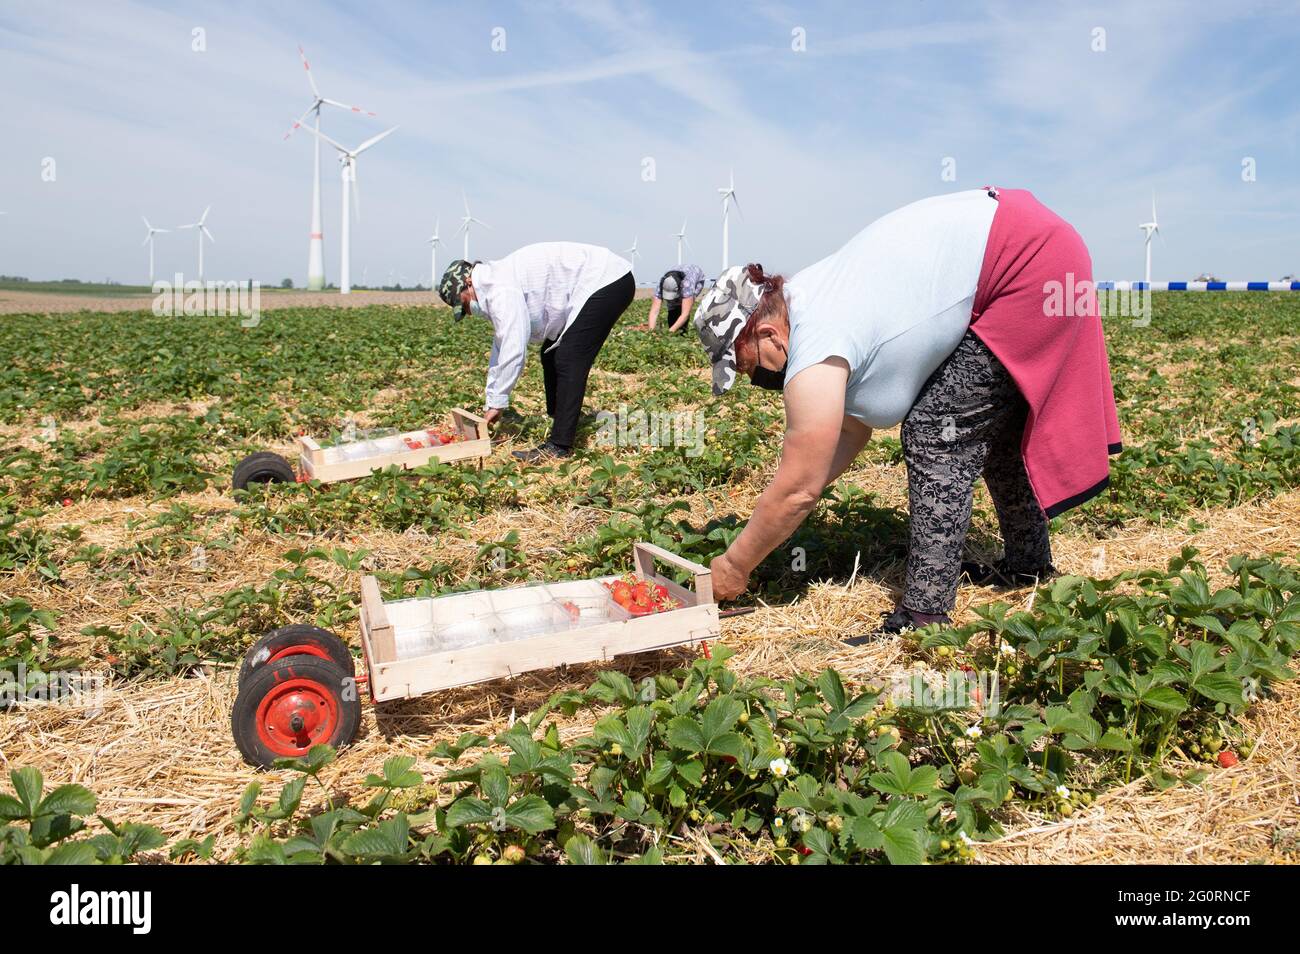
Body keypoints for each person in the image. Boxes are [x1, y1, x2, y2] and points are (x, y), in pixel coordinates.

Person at [695, 187, 1121, 641]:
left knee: (937, 432)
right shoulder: (805, 302)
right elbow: (845, 434)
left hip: (1029, 263)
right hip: (1035, 244)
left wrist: (736, 564)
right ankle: (1027, 565)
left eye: (746, 364)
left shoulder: (817, 343)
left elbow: (798, 488)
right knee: (987, 427)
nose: (752, 377)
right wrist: (801, 486)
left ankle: (925, 617)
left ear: (766, 332)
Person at [438, 242, 635, 462]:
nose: (469, 311)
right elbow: (500, 346)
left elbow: (513, 349)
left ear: (467, 282)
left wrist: (498, 402)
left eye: (463, 304)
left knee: (568, 358)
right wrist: (492, 400)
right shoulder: (495, 281)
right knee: (550, 354)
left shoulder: (500, 288)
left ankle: (559, 445)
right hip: (602, 280)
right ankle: (560, 416)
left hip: (607, 280)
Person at [646, 264, 706, 333]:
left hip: (697, 278)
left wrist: (670, 332)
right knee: (672, 308)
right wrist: (651, 332)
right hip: (676, 279)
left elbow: (685, 314)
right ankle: (674, 324)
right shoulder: (660, 285)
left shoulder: (687, 285)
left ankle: (683, 331)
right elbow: (654, 312)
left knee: (683, 307)